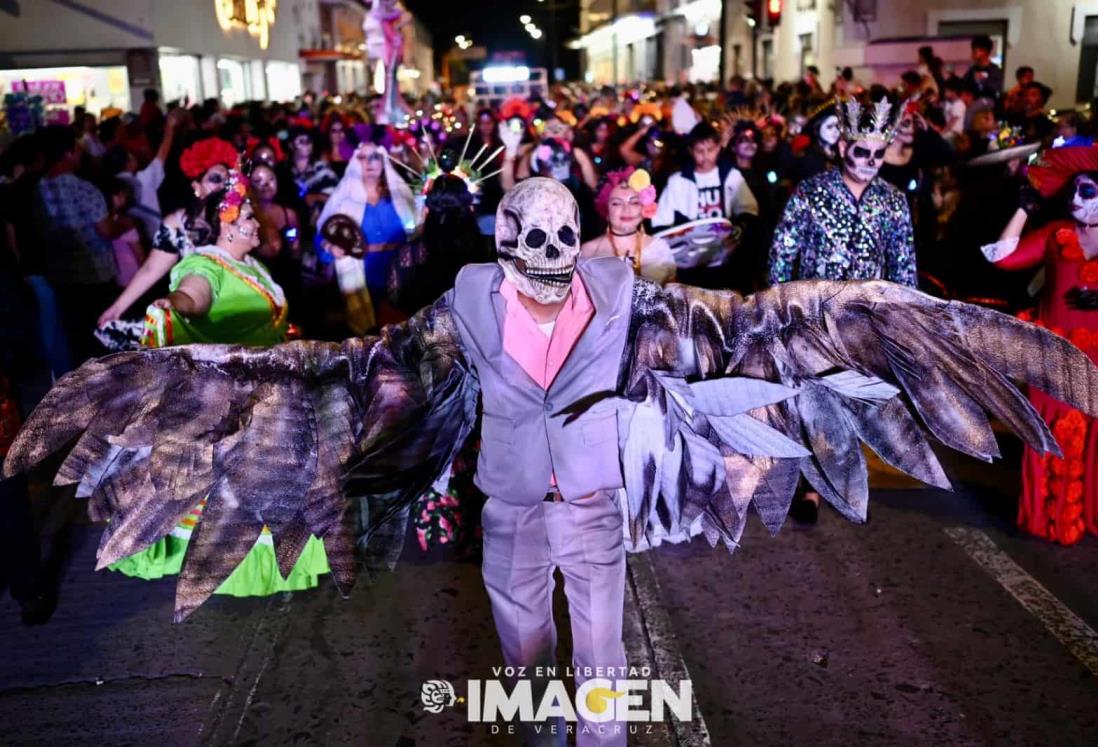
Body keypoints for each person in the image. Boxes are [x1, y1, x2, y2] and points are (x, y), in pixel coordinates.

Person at [10, 178, 1098, 747]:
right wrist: (188, 384)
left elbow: (755, 324)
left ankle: (600, 728)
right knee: (520, 628)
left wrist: (854, 338)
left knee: (601, 643)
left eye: (559, 234)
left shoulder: (628, 298)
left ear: (577, 239)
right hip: (506, 504)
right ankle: (533, 696)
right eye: (524, 235)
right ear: (499, 242)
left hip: (598, 497)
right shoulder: (466, 304)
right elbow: (354, 371)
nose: (542, 254)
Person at [111, 174, 330, 593]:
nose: (256, 220)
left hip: (273, 391)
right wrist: (173, 304)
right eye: (247, 215)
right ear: (225, 226)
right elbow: (193, 297)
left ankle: (270, 562)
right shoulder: (204, 265)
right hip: (236, 402)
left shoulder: (249, 264)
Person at [770, 97, 917, 524]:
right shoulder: (810, 193)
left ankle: (832, 478)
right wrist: (780, 310)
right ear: (840, 148)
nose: (870, 161)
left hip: (866, 324)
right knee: (815, 402)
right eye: (861, 152)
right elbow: (783, 255)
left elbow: (904, 267)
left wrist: (905, 322)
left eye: (878, 154)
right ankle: (813, 487)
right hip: (812, 319)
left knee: (853, 404)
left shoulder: (893, 201)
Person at [981, 146, 1098, 545]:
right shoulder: (1057, 234)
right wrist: (1024, 209)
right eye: (1074, 192)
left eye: (1087, 192)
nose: (1075, 200)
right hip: (1053, 354)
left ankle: (1086, 516)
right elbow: (1001, 257)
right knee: (1051, 434)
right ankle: (1046, 517)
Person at [97, 136, 238, 326]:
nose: (222, 186)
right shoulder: (178, 223)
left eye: (228, 181)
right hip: (197, 312)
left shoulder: (243, 219)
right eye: (215, 179)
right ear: (197, 187)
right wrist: (117, 308)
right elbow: (151, 269)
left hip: (240, 306)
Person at [32, 125, 120, 363]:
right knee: (105, 342)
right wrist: (124, 222)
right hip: (96, 275)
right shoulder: (84, 188)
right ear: (69, 153)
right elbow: (106, 230)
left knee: (77, 341)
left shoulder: (37, 189)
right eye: (77, 149)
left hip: (62, 275)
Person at [317, 142, 415, 325]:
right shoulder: (343, 197)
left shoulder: (400, 193)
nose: (370, 163)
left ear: (383, 161)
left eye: (375, 157)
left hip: (400, 271)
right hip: (359, 271)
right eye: (363, 157)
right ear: (355, 161)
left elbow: (418, 230)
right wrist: (330, 247)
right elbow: (323, 234)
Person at [651, 121, 759, 229]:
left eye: (710, 150)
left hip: (726, 242)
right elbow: (661, 220)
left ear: (718, 148)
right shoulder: (677, 181)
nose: (705, 156)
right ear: (691, 151)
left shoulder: (731, 176)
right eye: (700, 151)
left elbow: (749, 210)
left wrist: (740, 228)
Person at [581, 167, 676, 285]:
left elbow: (674, 293)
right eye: (617, 203)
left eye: (634, 202)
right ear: (606, 210)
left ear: (644, 207)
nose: (627, 209)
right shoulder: (588, 252)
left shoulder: (660, 248)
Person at [102, 109, 181, 243]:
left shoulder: (108, 184)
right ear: (128, 164)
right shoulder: (142, 179)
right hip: (153, 236)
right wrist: (170, 128)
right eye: (131, 157)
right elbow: (162, 153)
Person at [963, 35, 1003, 103]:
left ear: (985, 51)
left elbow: (997, 87)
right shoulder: (972, 70)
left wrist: (984, 80)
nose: (972, 54)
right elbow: (964, 85)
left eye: (975, 51)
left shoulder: (994, 70)